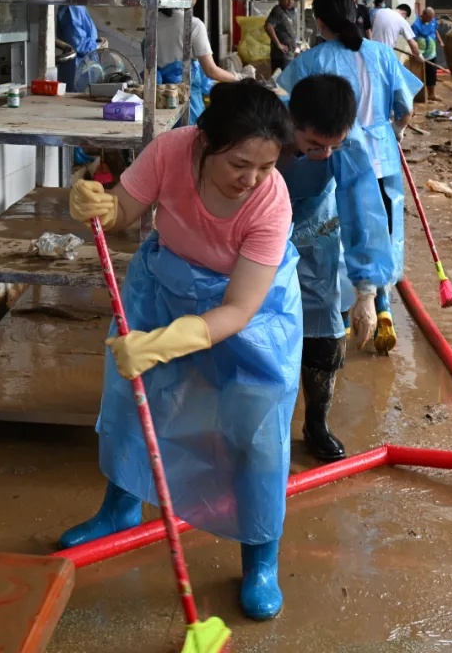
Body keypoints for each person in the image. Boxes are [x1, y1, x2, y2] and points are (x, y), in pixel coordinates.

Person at [60, 80, 300, 622]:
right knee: (134, 400)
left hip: (250, 310)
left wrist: (168, 343)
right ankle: (120, 509)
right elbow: (123, 209)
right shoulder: (171, 151)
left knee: (255, 428)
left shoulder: (271, 199)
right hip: (165, 284)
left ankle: (261, 557)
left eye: (266, 165)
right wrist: (98, 202)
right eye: (241, 164)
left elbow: (239, 310)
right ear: (206, 142)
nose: (253, 179)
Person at [280, 0, 422, 353]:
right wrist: (397, 133)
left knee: (333, 234)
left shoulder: (310, 61)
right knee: (379, 229)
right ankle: (381, 306)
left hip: (329, 157)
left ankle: (342, 315)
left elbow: (288, 109)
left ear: (320, 22)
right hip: (381, 155)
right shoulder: (382, 56)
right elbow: (405, 107)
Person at [279, 74, 394, 461]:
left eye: (334, 145)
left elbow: (364, 213)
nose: (325, 154)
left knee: (324, 334)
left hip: (315, 229)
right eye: (313, 145)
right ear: (291, 122)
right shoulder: (262, 125)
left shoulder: (349, 145)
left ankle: (316, 423)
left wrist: (366, 293)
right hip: (254, 225)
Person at [155, 0, 240, 124]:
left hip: (158, 100)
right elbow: (211, 71)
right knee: (187, 142)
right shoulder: (192, 24)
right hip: (186, 102)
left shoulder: (152, 20)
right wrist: (239, 78)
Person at [56, 0, 105, 92]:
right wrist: (98, 45)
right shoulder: (70, 8)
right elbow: (77, 42)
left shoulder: (79, 6)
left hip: (85, 63)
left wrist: (97, 41)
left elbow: (85, 35)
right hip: (75, 66)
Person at [411, 6, 443, 102]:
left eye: (432, 17)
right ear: (423, 15)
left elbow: (435, 31)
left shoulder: (433, 21)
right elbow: (412, 40)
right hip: (421, 55)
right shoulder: (416, 25)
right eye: (429, 17)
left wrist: (440, 41)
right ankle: (417, 96)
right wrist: (415, 53)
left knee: (432, 74)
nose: (430, 19)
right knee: (419, 76)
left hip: (432, 54)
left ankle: (431, 94)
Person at [265, 0, 298, 73]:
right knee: (281, 81)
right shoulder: (277, 10)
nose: (290, 1)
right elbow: (268, 26)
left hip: (288, 54)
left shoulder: (288, 12)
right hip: (281, 56)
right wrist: (278, 44)